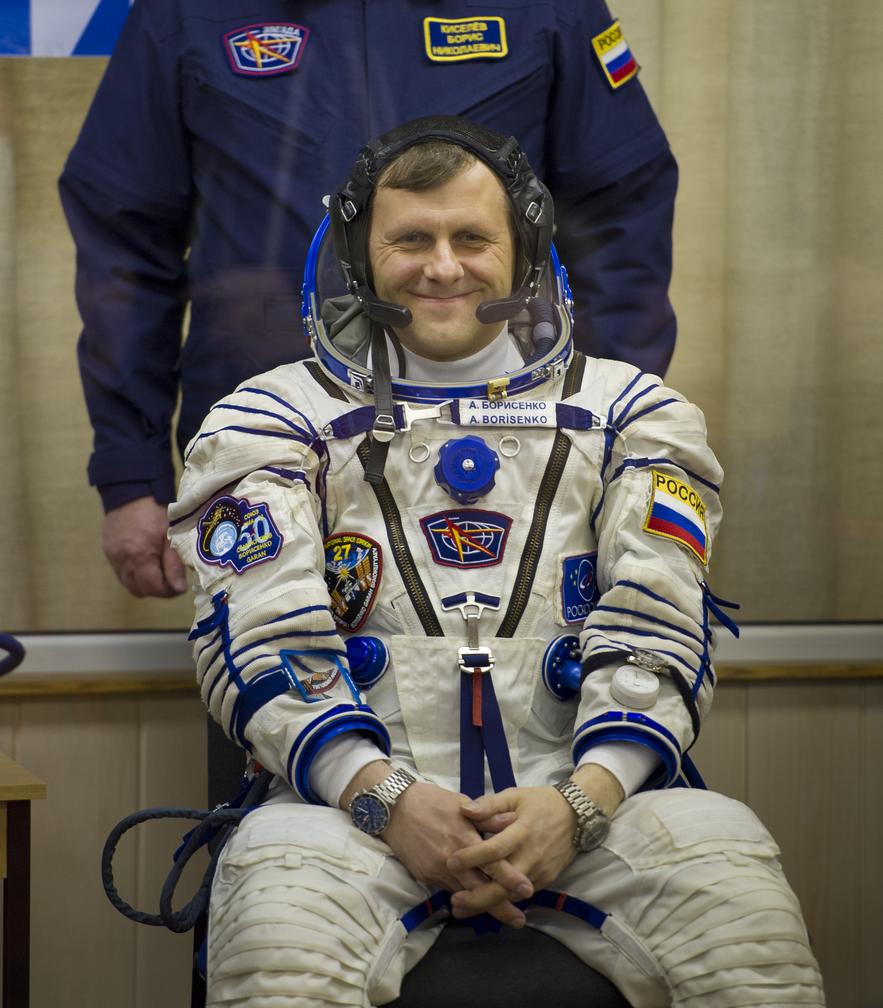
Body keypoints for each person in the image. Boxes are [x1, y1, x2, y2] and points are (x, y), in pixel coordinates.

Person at [168, 115, 825, 1007]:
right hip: (347, 813)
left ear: (523, 254)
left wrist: (582, 802)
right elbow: (265, 643)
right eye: (411, 240)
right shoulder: (267, 423)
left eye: (471, 237)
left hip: (593, 801)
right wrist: (385, 799)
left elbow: (657, 630)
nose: (442, 267)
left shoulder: (633, 415)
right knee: (279, 942)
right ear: (363, 259)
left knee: (741, 916)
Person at [60, 0, 679, 601]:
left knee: (508, 716)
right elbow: (127, 246)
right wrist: (128, 477)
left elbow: (622, 214)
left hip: (507, 446)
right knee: (274, 712)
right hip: (266, 454)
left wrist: (613, 430)